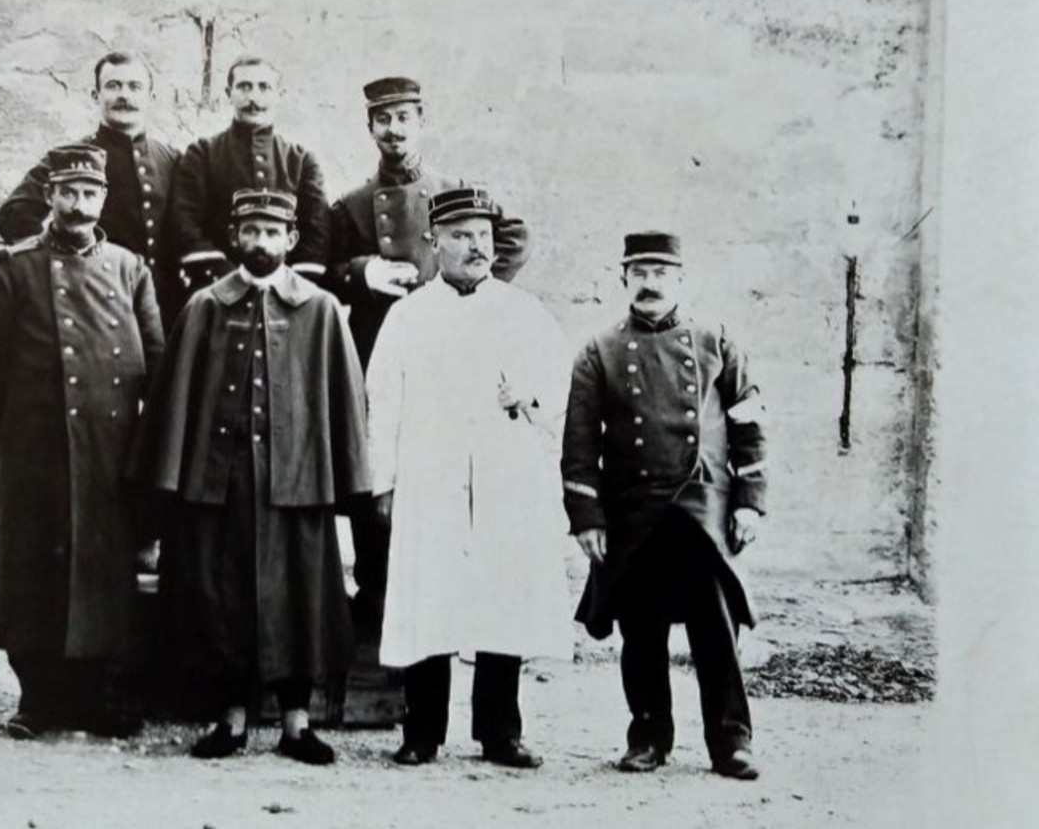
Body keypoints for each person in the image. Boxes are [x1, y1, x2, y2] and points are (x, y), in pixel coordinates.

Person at [129, 189, 368, 765]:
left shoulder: (321, 310)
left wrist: (350, 482)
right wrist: (169, 480)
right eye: (251, 230)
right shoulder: (205, 307)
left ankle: (296, 723)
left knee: (299, 602)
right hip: (221, 485)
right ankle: (229, 720)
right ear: (235, 237)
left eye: (273, 231)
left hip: (298, 483)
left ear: (291, 239)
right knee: (221, 600)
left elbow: (347, 402)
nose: (261, 242)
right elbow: (175, 399)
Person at [0, 143, 165, 739]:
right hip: (36, 447)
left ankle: (93, 698)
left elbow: (156, 359)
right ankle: (37, 699)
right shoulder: (13, 266)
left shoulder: (129, 269)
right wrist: (28, 406)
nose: (78, 205)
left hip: (108, 450)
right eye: (67, 192)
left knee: (100, 570)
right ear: (49, 196)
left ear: (104, 200)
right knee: (33, 571)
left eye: (90, 194)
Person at [365, 186, 571, 770]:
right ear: (436, 243)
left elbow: (558, 395)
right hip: (430, 478)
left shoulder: (523, 314)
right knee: (427, 598)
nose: (475, 246)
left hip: (504, 478)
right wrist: (385, 483)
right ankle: (422, 732)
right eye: (461, 236)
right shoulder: (407, 318)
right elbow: (382, 403)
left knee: (501, 597)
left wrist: (523, 395)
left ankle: (499, 732)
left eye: (482, 235)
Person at [326, 76, 532, 640]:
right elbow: (325, 270)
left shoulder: (454, 191)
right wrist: (364, 271)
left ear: (421, 122)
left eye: (404, 118)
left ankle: (442, 618)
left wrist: (466, 289)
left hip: (449, 356)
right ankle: (375, 608)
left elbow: (511, 238)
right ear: (370, 129)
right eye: (383, 120)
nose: (394, 130)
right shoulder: (350, 204)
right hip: (377, 352)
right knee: (381, 474)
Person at [560, 231, 768, 781]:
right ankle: (648, 735)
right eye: (639, 272)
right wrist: (586, 518)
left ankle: (732, 742)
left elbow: (749, 425)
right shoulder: (598, 351)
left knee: (715, 630)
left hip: (702, 506)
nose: (650, 283)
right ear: (622, 278)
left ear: (681, 279)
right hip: (633, 511)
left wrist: (749, 504)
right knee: (641, 630)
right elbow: (579, 443)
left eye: (661, 273)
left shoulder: (715, 340)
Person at [0, 51, 183, 315]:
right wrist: (60, 267)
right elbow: (13, 215)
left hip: (165, 307)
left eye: (134, 87)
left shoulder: (171, 159)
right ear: (96, 96)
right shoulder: (73, 158)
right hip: (95, 303)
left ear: (150, 98)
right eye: (113, 86)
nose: (124, 95)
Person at [161, 56, 330, 295]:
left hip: (286, 295)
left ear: (278, 95)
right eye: (244, 87)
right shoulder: (202, 154)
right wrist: (231, 281)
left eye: (264, 87)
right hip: (217, 290)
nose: (254, 98)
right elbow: (185, 223)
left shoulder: (301, 160)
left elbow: (317, 231)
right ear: (229, 93)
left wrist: (286, 285)